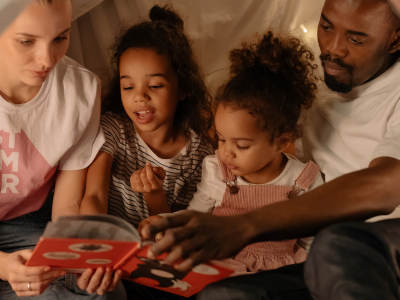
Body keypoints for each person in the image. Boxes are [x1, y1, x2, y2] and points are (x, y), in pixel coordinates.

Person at [140, 0, 400, 299]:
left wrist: (245, 226)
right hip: (309, 243)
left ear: (396, 38)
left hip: (370, 245)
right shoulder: (313, 77)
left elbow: (386, 185)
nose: (333, 48)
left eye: (356, 38)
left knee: (334, 246)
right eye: (326, 26)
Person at [142, 31, 324, 276]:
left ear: (282, 141)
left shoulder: (303, 181)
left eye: (242, 145)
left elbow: (312, 242)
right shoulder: (217, 170)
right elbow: (195, 216)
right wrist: (164, 221)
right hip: (218, 264)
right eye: (221, 138)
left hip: (275, 274)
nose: (226, 152)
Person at [79, 4, 214, 298]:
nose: (140, 96)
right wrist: (98, 248)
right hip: (109, 250)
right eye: (128, 87)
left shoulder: (199, 155)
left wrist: (155, 195)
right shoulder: (113, 127)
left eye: (154, 85)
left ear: (183, 89)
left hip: (155, 261)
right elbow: (94, 195)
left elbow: (174, 234)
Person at [0, 0, 125, 298]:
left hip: (27, 223)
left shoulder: (81, 91)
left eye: (60, 38)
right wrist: (4, 267)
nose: (46, 59)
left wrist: (81, 255)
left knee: (100, 289)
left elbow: (67, 207)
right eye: (26, 41)